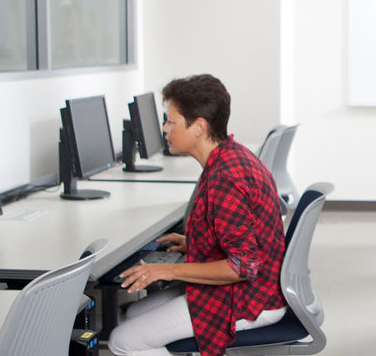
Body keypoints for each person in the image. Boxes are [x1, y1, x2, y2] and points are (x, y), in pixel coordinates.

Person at [109, 74, 287, 356]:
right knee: (132, 315)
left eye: (171, 121)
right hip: (257, 286)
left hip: (252, 297)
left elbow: (243, 266)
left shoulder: (225, 177)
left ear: (199, 127)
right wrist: (192, 243)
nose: (165, 128)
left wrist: (164, 269)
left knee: (122, 340)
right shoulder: (228, 157)